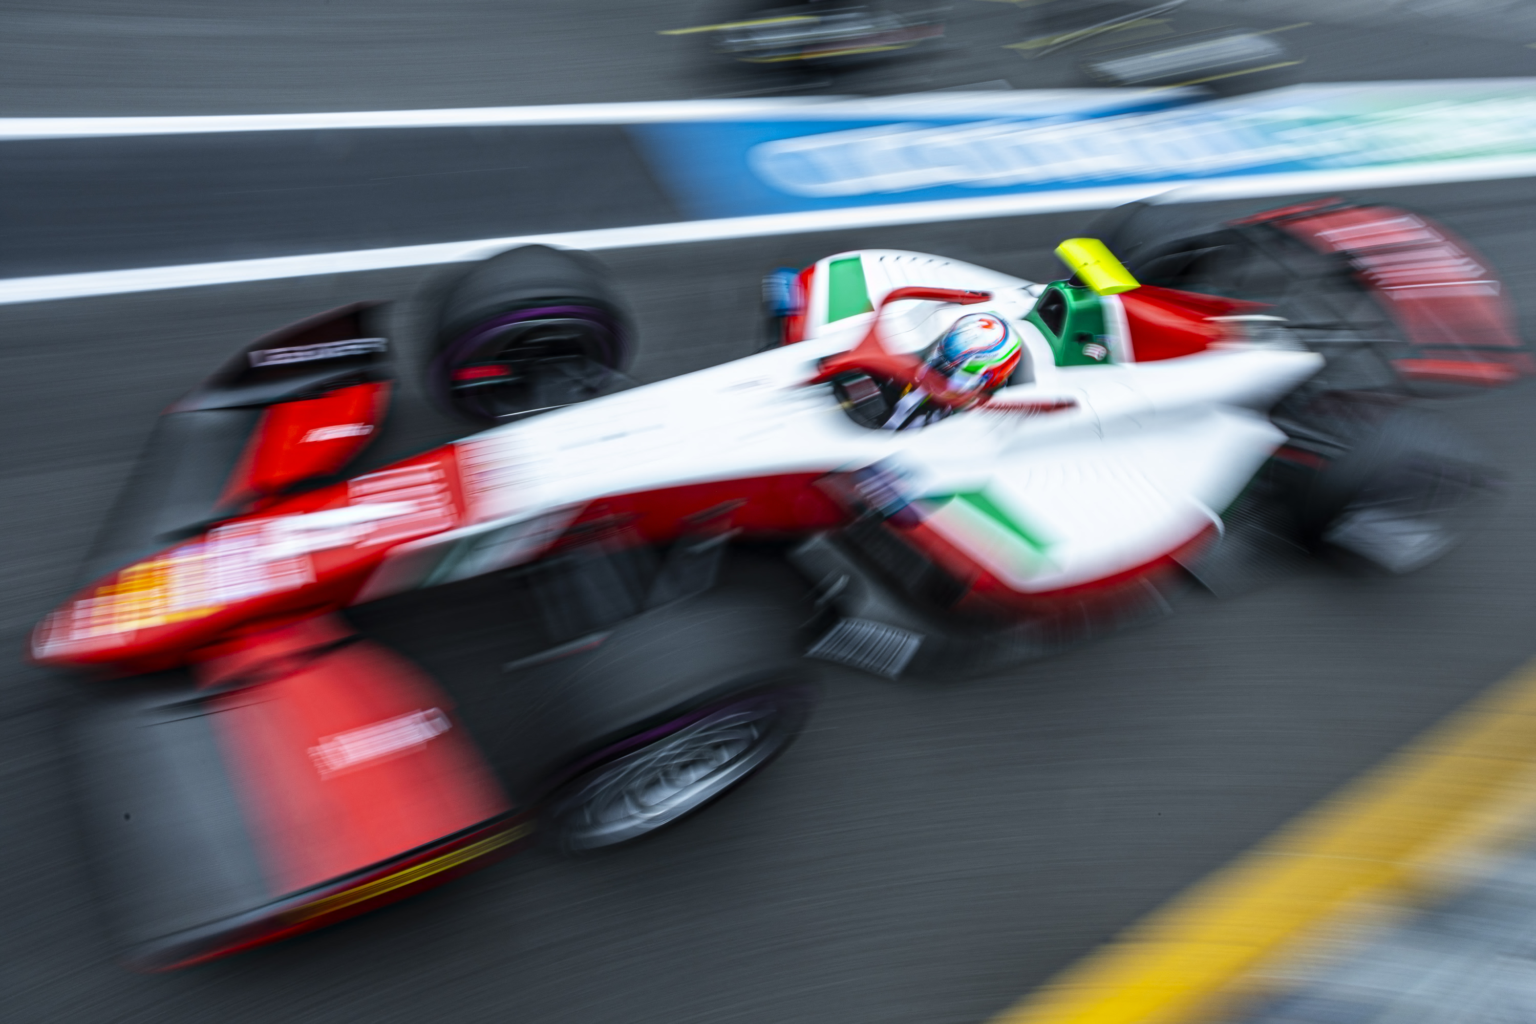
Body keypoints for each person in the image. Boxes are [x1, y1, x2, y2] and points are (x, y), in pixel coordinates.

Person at [882, 312, 1023, 430]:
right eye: (942, 360)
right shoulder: (910, 374)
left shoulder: (983, 419)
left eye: (951, 369)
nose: (939, 371)